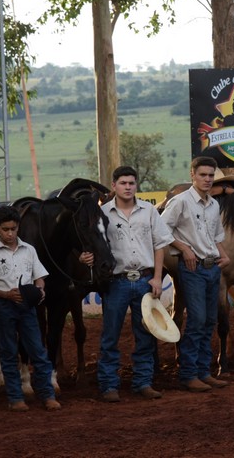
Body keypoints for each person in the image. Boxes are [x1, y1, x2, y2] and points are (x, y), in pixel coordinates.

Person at [95, 166, 173, 402]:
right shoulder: (103, 213)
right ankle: (109, 385)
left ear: (136, 185)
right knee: (110, 335)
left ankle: (143, 382)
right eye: (123, 183)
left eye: (132, 183)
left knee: (146, 334)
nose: (128, 187)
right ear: (114, 185)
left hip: (144, 280)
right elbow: (95, 244)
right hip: (116, 281)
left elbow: (161, 244)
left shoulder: (149, 210)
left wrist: (158, 277)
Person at [0, 205, 61, 411]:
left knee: (38, 352)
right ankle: (16, 398)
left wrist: (40, 290)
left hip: (28, 306)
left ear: (18, 227)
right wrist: (5, 294)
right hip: (4, 307)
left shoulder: (29, 250)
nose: (10, 233)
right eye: (5, 229)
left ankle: (47, 396)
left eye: (13, 228)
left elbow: (39, 276)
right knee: (8, 353)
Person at [161, 156, 232, 392]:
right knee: (197, 320)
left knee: (210, 320)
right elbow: (160, 230)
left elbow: (216, 235)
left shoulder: (214, 204)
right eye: (203, 175)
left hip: (212, 267)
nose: (208, 179)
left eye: (211, 175)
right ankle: (188, 374)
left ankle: (203, 372)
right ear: (192, 175)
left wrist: (224, 255)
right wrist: (182, 248)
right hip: (192, 268)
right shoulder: (180, 202)